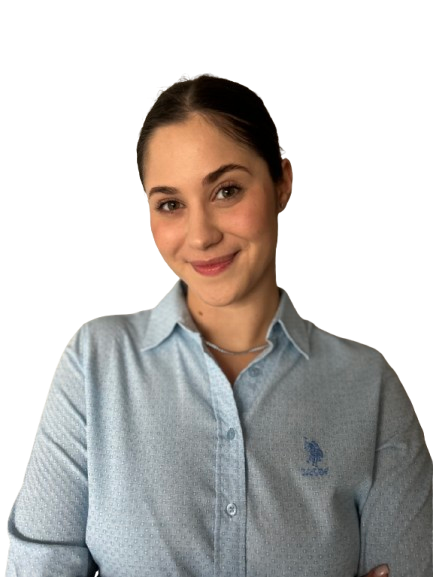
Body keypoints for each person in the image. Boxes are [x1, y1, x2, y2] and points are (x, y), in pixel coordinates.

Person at [5, 74, 432, 577]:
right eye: (170, 204)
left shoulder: (367, 387)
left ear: (281, 183)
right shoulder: (95, 366)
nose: (201, 235)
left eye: (226, 191)